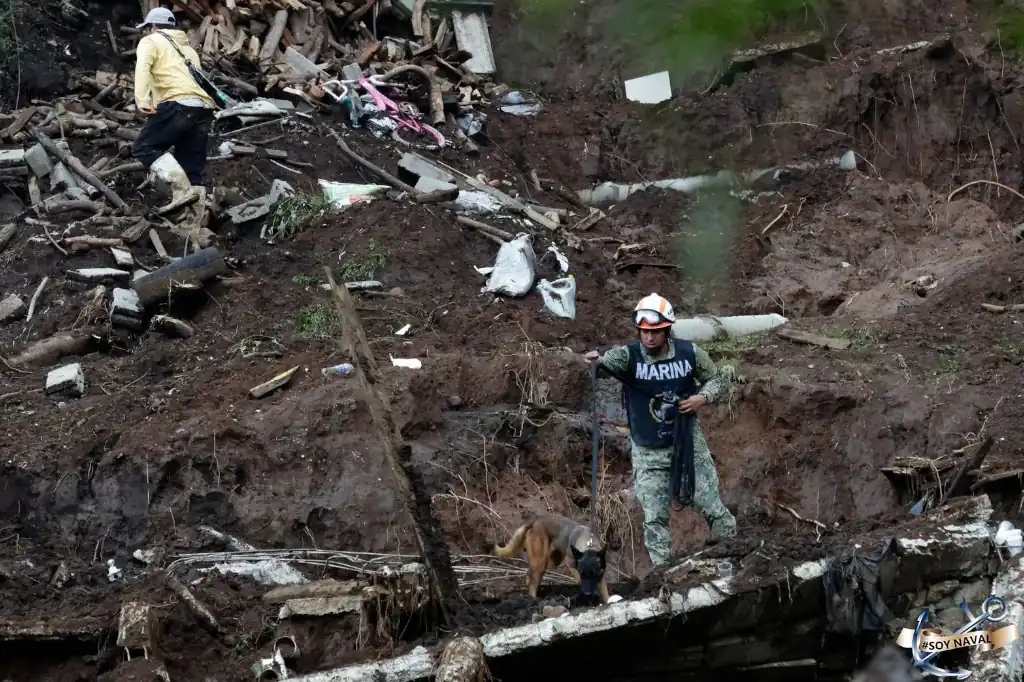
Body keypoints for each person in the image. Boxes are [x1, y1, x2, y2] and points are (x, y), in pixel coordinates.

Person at [594, 293, 737, 568]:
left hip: (688, 446)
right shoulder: (627, 357)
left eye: (656, 332)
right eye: (645, 332)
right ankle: (666, 576)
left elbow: (718, 379)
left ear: (667, 329)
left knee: (714, 509)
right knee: (654, 519)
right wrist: (592, 361)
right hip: (648, 452)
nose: (649, 338)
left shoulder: (690, 353)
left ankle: (731, 559)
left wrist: (702, 398)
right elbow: (597, 368)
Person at [132, 7, 215, 187]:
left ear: (153, 27)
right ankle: (196, 208)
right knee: (190, 165)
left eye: (146, 28)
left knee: (144, 148)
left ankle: (179, 187)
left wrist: (143, 101)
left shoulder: (150, 41)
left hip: (178, 103)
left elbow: (142, 69)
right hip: (204, 108)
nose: (144, 32)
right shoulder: (189, 50)